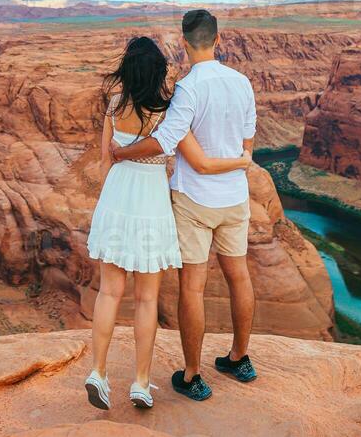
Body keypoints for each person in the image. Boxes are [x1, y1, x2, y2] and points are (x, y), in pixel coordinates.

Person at [85, 35, 252, 412]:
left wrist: (118, 175)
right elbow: (180, 152)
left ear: (126, 71)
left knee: (109, 292)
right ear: (158, 71)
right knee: (146, 298)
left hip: (115, 198)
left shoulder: (114, 105)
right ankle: (141, 383)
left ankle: (98, 372)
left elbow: (104, 162)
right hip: (151, 204)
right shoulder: (167, 110)